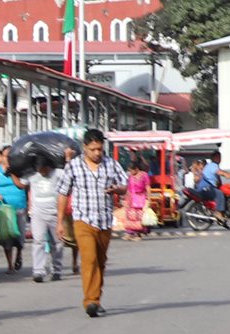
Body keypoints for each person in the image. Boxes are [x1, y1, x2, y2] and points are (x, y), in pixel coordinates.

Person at [56, 129, 127, 318]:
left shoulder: (111, 164)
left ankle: (96, 297)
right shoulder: (73, 166)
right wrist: (60, 221)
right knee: (89, 259)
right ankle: (91, 301)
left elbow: (125, 185)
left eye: (100, 149)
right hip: (83, 220)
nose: (97, 153)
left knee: (100, 261)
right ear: (84, 147)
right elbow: (63, 192)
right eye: (93, 149)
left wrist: (117, 189)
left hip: (104, 221)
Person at [0, 145, 28, 273]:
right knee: (6, 236)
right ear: (1, 157)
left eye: (11, 156)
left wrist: (13, 174)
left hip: (19, 206)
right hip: (3, 208)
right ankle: (10, 264)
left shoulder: (19, 169)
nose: (8, 158)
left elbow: (23, 185)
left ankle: (19, 254)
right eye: (6, 156)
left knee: (20, 235)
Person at [27, 160, 63, 283]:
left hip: (55, 214)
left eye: (43, 167)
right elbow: (20, 184)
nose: (41, 170)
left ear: (49, 166)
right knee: (38, 241)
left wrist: (68, 159)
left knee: (57, 243)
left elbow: (70, 175)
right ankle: (38, 271)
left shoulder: (58, 173)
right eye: (38, 167)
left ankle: (56, 270)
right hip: (38, 214)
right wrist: (12, 173)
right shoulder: (32, 175)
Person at [196, 151, 230, 225]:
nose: (220, 159)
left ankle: (224, 214)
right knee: (219, 194)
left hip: (209, 187)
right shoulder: (212, 165)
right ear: (213, 158)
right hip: (205, 188)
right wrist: (226, 175)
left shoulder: (215, 166)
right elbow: (220, 172)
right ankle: (218, 213)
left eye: (220, 157)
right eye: (218, 157)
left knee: (224, 193)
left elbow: (220, 176)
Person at [123, 159, 150, 240]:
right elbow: (129, 189)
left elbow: (147, 187)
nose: (130, 172)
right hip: (131, 198)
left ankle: (138, 235)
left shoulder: (144, 175)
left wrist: (149, 199)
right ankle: (130, 233)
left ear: (137, 169)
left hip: (140, 198)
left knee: (138, 217)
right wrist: (126, 199)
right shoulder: (131, 177)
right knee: (130, 215)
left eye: (131, 170)